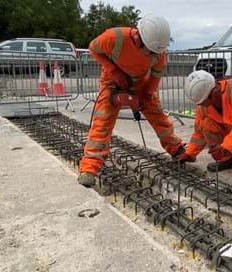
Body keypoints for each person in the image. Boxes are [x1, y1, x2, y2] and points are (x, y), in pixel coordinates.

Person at [78, 14, 185, 186]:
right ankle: (89, 169)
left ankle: (176, 148)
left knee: (158, 115)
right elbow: (93, 48)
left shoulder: (158, 50)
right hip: (112, 81)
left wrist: (147, 94)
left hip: (141, 83)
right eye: (149, 51)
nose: (152, 55)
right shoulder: (114, 38)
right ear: (138, 38)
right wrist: (114, 71)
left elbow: (156, 74)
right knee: (102, 122)